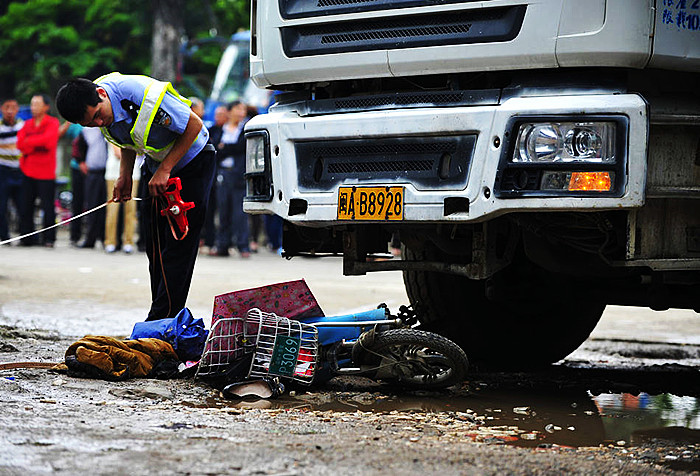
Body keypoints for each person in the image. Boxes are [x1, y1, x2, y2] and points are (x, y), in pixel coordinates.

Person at [56, 73, 216, 321]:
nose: (99, 123)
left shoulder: (142, 95)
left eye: (98, 115)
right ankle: (160, 313)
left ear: (101, 94)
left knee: (177, 244)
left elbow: (194, 125)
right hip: (156, 165)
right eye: (91, 123)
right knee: (154, 245)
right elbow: (127, 137)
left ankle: (165, 320)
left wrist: (166, 169)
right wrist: (125, 175)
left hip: (192, 162)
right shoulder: (101, 109)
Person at [17, 94, 60, 247]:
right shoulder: (27, 124)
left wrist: (30, 142)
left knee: (47, 207)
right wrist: (35, 143)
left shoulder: (52, 123)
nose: (33, 107)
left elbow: (48, 142)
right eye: (32, 104)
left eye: (37, 104)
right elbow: (20, 143)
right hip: (27, 169)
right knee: (25, 206)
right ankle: (26, 237)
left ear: (46, 107)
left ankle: (49, 238)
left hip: (46, 172)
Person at [211, 100, 249, 258]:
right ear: (230, 111)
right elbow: (215, 148)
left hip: (239, 173)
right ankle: (222, 245)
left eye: (243, 109)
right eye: (237, 109)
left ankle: (243, 246)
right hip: (223, 173)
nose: (241, 112)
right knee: (223, 210)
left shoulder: (245, 129)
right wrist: (225, 148)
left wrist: (225, 147)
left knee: (240, 213)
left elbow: (242, 147)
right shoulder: (222, 129)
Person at [104, 145, 143, 253]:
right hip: (113, 173)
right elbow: (118, 153)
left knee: (131, 209)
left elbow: (143, 151)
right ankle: (110, 241)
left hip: (133, 174)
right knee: (112, 209)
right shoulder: (112, 129)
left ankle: (128, 242)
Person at [201, 105, 228, 253]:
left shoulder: (228, 130)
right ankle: (209, 240)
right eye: (217, 114)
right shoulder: (211, 130)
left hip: (225, 175)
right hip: (211, 176)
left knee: (224, 211)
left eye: (221, 114)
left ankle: (225, 242)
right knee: (209, 210)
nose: (218, 117)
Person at [76, 127, 108, 249]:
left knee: (107, 207)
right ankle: (90, 239)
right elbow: (78, 146)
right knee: (92, 206)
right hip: (92, 172)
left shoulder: (109, 127)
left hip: (109, 172)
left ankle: (106, 238)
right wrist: (81, 161)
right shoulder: (86, 130)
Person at [0, 98, 24, 243]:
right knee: (2, 206)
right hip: (3, 170)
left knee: (23, 205)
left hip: (20, 170)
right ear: (2, 109)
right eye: (6, 107)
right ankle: (5, 236)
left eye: (13, 108)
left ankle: (24, 236)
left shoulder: (23, 125)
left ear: (17, 110)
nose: (9, 111)